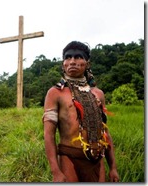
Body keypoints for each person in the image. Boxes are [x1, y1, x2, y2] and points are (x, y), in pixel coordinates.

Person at [42, 41, 119, 182]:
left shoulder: (98, 94)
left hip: (97, 159)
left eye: (78, 57)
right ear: (63, 63)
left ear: (87, 63)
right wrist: (56, 171)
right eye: (68, 57)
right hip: (69, 158)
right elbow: (48, 134)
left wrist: (113, 167)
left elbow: (105, 133)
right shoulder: (55, 93)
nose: (72, 61)